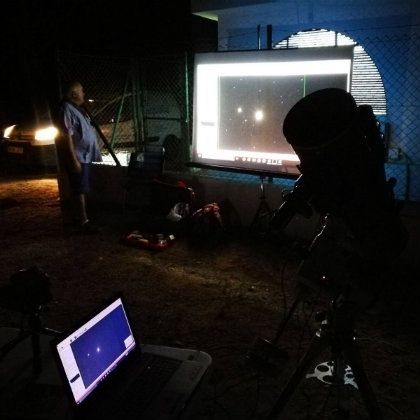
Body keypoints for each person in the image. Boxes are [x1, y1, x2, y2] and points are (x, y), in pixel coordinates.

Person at [55, 80, 102, 233]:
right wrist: (73, 159)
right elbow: (66, 137)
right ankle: (82, 221)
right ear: (74, 94)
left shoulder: (77, 108)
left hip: (84, 156)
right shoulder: (66, 110)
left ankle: (81, 218)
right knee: (79, 189)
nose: (84, 93)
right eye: (81, 91)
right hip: (78, 157)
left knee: (81, 187)